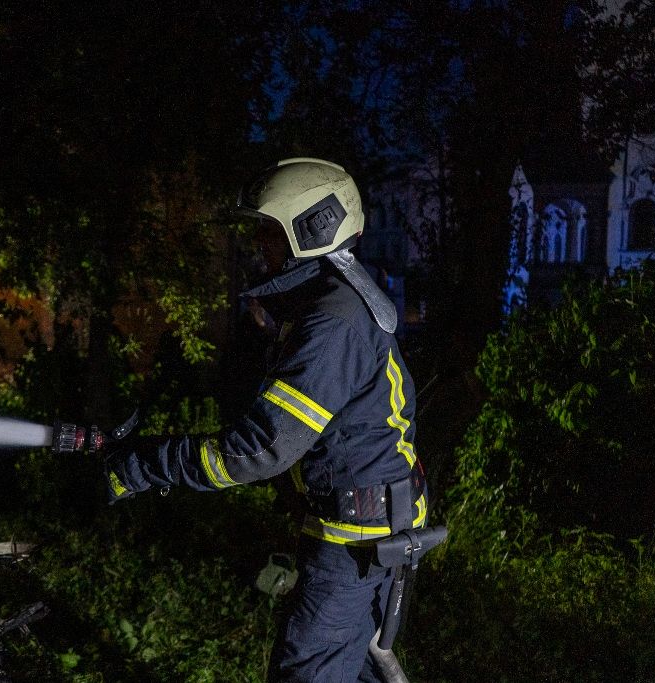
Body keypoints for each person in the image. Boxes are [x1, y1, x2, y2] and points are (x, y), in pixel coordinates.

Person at [103, 158, 427, 683]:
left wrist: (143, 466)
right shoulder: (331, 305)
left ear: (310, 231)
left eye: (268, 230)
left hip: (355, 546)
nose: (258, 242)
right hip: (365, 532)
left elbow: (258, 449)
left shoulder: (332, 324)